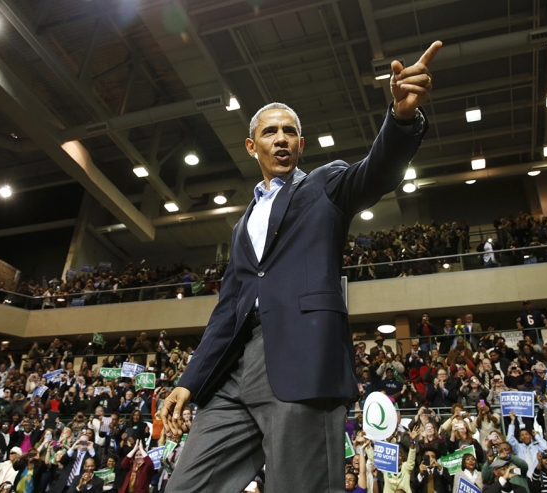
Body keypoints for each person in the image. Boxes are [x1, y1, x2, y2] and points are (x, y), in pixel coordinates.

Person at [161, 40, 442, 493]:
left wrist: (402, 117)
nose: (281, 139)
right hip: (233, 376)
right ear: (252, 146)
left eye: (289, 132)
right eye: (271, 132)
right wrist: (189, 382)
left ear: (301, 143)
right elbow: (226, 312)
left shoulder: (324, 186)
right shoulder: (241, 227)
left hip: (302, 362)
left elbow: (378, 172)